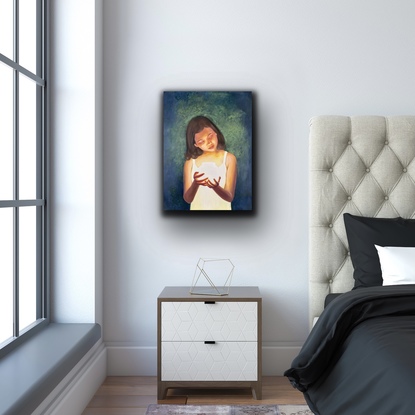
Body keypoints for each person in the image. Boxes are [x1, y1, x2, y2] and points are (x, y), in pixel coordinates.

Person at [183, 115, 237, 210]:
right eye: (201, 141)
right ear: (195, 145)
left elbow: (229, 197)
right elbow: (188, 199)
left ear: (215, 132)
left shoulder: (229, 158)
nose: (208, 142)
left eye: (210, 136)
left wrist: (216, 187)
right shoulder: (190, 162)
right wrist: (196, 183)